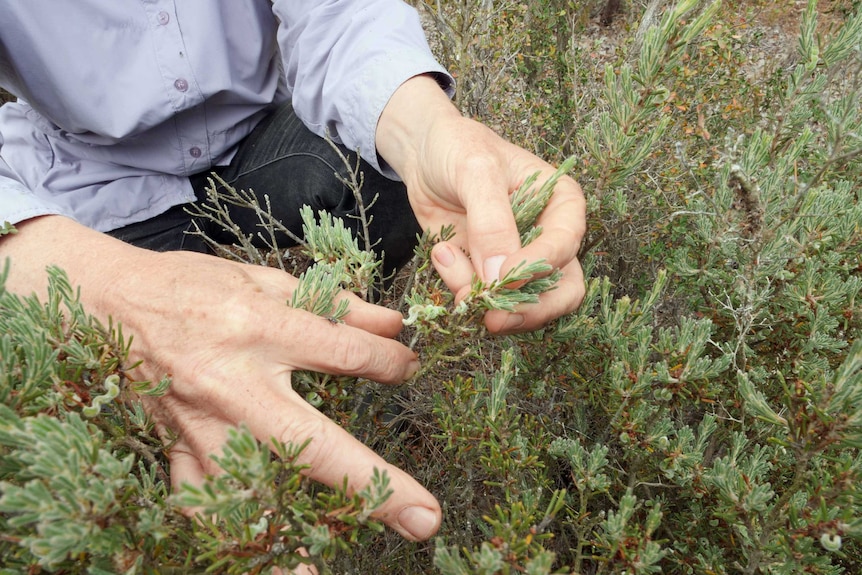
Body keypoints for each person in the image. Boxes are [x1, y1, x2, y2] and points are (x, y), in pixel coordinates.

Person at [0, 1, 585, 544]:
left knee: (393, 188)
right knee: (90, 388)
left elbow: (336, 15)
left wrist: (428, 128)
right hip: (88, 185)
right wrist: (110, 288)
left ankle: (337, 370)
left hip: (256, 132)